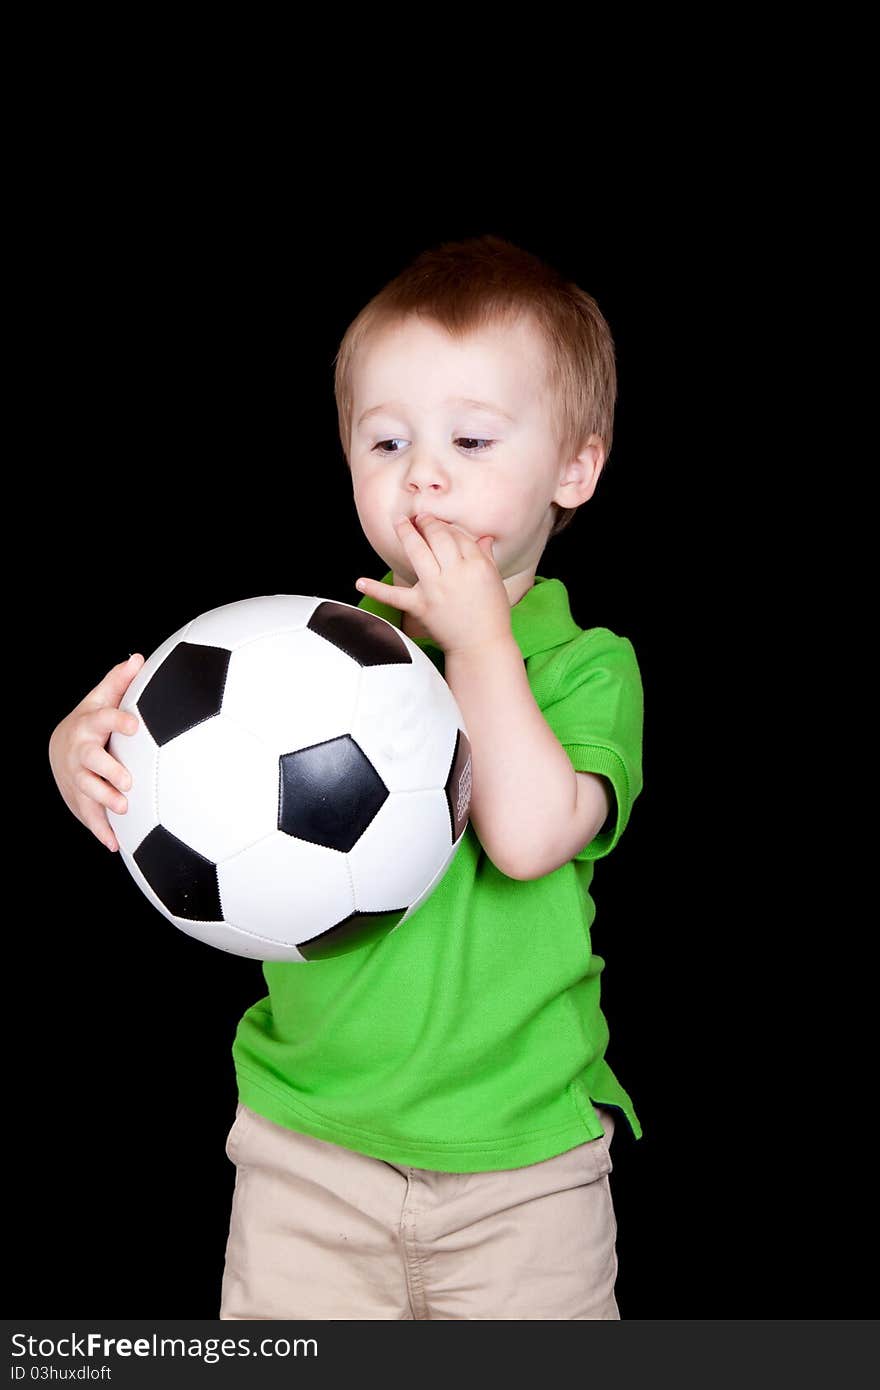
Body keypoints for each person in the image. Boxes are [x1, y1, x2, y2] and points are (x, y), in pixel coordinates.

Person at [47, 234, 645, 1320]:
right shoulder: (300, 656)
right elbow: (182, 796)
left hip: (519, 1167)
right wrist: (86, 759)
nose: (423, 472)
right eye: (385, 441)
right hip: (304, 1150)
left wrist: (482, 647)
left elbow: (523, 837)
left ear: (574, 467)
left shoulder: (586, 666)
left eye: (471, 438)